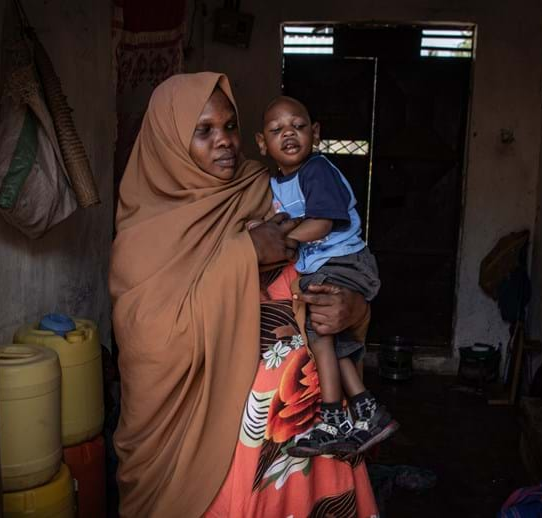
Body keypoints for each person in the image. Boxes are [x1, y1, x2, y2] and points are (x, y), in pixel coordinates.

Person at [109, 73, 378, 517]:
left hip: (311, 430)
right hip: (214, 440)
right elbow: (148, 339)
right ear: (169, 142)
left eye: (230, 127)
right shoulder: (145, 231)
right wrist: (246, 252)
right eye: (204, 131)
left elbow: (328, 268)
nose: (225, 142)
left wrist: (354, 309)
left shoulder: (262, 186)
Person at [255, 96, 399, 457]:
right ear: (262, 143)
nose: (288, 134)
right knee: (332, 341)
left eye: (299, 127)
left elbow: (321, 223)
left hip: (346, 262)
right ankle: (367, 409)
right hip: (330, 264)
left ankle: (334, 417)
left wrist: (281, 241)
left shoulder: (316, 170)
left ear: (315, 133)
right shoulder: (277, 183)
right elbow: (280, 219)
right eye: (277, 130)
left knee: (321, 336)